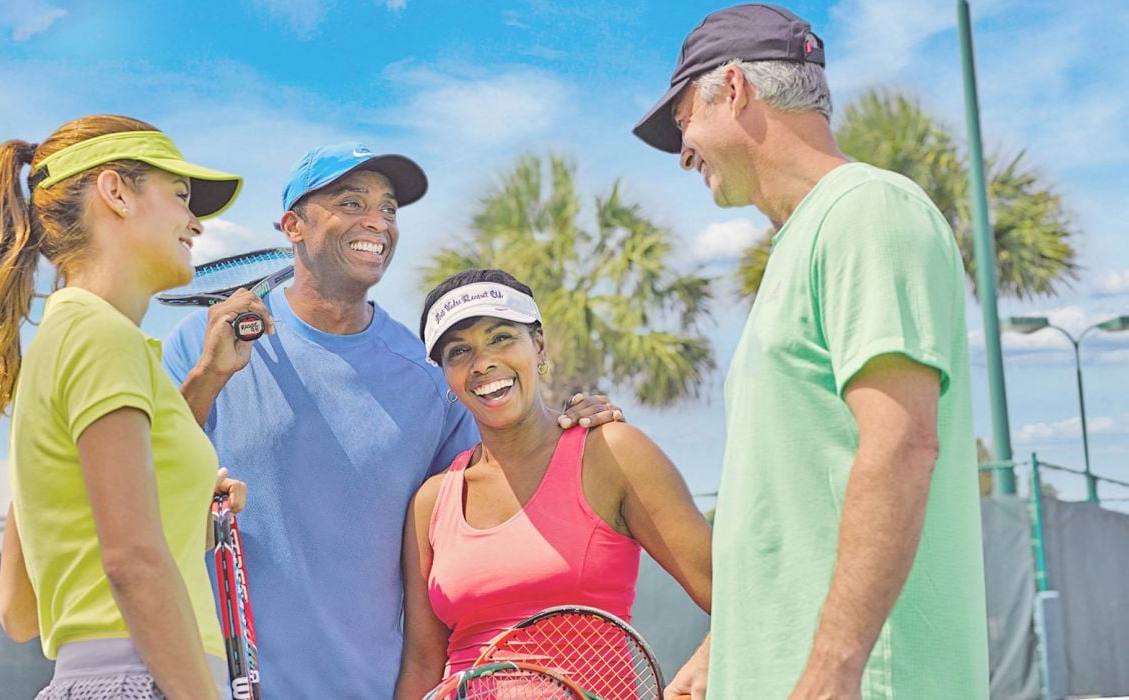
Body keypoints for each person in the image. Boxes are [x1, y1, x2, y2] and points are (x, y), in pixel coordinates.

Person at [162, 144, 621, 698]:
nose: (377, 222)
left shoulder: (429, 380)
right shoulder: (201, 344)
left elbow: (496, 490)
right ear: (293, 226)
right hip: (209, 685)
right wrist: (209, 374)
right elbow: (146, 482)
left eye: (389, 209)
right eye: (351, 203)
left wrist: (567, 427)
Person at [632, 5, 988, 699]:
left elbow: (901, 445)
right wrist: (723, 650)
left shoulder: (868, 209)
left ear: (734, 89)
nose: (683, 153)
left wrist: (832, 671)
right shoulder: (804, 240)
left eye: (683, 121)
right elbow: (796, 510)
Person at [0, 115, 248, 699]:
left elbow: (21, 610)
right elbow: (132, 563)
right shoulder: (104, 337)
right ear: (115, 191)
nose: (196, 222)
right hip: (145, 682)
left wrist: (185, 509)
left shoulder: (64, 339)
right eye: (180, 196)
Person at [393, 268, 713, 699]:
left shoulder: (612, 452)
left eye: (501, 337)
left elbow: (738, 593)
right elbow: (422, 665)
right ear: (446, 376)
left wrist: (699, 670)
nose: (482, 363)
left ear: (539, 346)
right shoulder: (431, 502)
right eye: (459, 351)